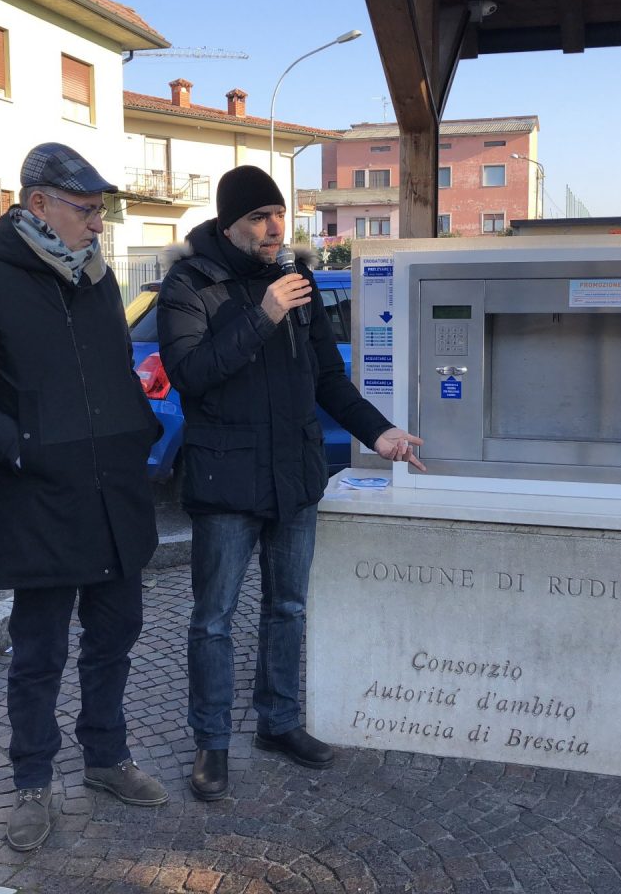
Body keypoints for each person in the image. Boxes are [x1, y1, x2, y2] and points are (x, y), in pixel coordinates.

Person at [156, 165, 425, 801]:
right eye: (258, 217)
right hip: (227, 477)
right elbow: (191, 374)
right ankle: (211, 743)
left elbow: (329, 380)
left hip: (295, 475)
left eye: (279, 214)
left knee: (288, 607)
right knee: (214, 619)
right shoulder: (189, 284)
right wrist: (263, 316)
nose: (274, 228)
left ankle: (278, 722)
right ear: (229, 223)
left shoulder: (294, 281)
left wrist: (379, 432)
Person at [0, 143, 167, 851]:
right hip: (39, 501)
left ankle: (105, 758)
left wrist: (137, 430)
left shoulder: (95, 281)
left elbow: (116, 372)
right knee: (39, 656)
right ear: (39, 205)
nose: (100, 226)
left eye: (102, 212)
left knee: (115, 640)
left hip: (114, 495)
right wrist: (24, 448)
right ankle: (32, 783)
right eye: (88, 211)